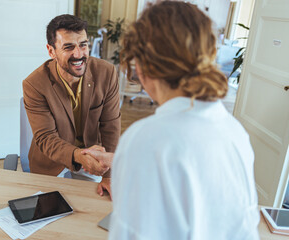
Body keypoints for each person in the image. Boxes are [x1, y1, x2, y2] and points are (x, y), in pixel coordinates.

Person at [84, 2, 260, 239]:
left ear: (144, 66)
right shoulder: (233, 130)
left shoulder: (144, 138)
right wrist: (120, 159)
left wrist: (129, 155)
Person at [22, 14, 121, 197]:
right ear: (51, 51)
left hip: (93, 160)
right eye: (68, 47)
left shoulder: (106, 73)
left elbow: (111, 126)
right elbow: (46, 138)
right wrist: (78, 155)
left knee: (91, 212)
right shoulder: (34, 84)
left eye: (83, 45)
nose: (78, 54)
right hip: (50, 162)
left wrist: (109, 175)